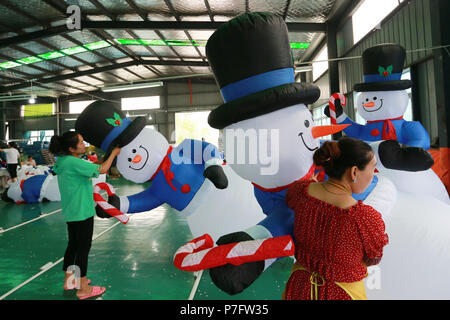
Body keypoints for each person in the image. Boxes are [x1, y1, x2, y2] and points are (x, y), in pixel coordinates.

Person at [284, 137, 389, 300]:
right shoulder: (365, 218)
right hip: (341, 293)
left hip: (299, 286)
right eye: (373, 168)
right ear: (354, 172)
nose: (373, 174)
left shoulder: (300, 192)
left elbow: (291, 201)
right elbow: (373, 257)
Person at [49, 131, 120, 300]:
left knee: (73, 245)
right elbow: (103, 169)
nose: (84, 144)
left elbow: (97, 164)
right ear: (71, 148)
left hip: (72, 211)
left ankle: (69, 280)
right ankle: (83, 288)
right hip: (82, 212)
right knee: (82, 248)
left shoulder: (64, 161)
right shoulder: (73, 162)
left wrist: (109, 153)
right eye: (80, 143)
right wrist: (115, 154)